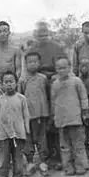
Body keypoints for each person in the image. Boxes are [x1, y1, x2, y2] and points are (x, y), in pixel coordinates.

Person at [25, 21, 68, 169]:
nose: (42, 37)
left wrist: (56, 77)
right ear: (35, 35)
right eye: (39, 34)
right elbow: (28, 69)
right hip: (39, 86)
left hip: (54, 84)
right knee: (44, 122)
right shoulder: (32, 49)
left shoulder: (57, 47)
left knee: (55, 117)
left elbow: (64, 65)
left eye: (45, 34)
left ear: (48, 33)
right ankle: (46, 155)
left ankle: (59, 154)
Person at [0, 71, 30, 177]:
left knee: (18, 159)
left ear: (16, 83)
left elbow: (26, 115)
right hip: (3, 135)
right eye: (6, 82)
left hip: (18, 134)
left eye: (11, 81)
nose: (9, 85)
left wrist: (26, 130)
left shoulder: (21, 98)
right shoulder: (0, 99)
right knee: (3, 159)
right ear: (1, 84)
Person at [51, 56, 89, 176]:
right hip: (61, 119)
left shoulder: (76, 81)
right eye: (59, 68)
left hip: (75, 118)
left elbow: (83, 96)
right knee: (64, 145)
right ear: (56, 69)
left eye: (64, 67)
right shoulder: (55, 84)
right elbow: (53, 101)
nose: (61, 70)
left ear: (69, 68)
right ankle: (68, 166)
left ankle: (81, 165)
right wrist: (54, 116)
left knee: (78, 144)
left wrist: (85, 111)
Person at [19, 51, 50, 177]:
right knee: (28, 139)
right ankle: (30, 162)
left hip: (42, 114)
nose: (32, 64)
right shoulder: (22, 80)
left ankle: (43, 161)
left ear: (39, 63)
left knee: (42, 138)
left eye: (35, 61)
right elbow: (19, 97)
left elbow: (47, 95)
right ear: (25, 64)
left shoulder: (43, 78)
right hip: (28, 116)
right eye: (29, 62)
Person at [0, 21, 23, 107]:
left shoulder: (15, 50)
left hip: (12, 86)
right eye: (0, 31)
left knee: (13, 110)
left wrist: (12, 85)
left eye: (5, 31)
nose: (2, 34)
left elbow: (18, 69)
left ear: (9, 33)